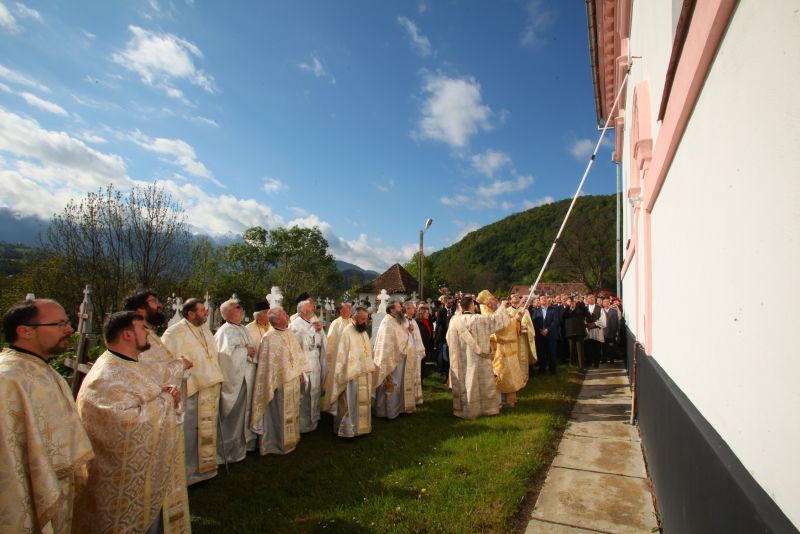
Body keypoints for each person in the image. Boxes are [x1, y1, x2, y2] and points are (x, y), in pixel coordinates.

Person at [74, 311, 190, 533]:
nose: (148, 333)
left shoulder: (130, 364)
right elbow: (125, 424)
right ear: (127, 335)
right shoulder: (106, 376)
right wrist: (166, 400)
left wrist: (162, 394)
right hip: (119, 485)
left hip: (143, 475)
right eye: (143, 329)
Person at [0, 299, 94, 533]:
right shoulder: (8, 380)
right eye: (60, 324)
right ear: (25, 331)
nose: (70, 329)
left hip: (56, 484)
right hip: (28, 491)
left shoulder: (41, 368)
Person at [162, 298, 224, 485]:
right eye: (202, 311)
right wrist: (183, 370)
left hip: (210, 387)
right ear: (190, 313)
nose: (206, 313)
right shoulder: (173, 333)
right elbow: (166, 362)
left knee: (207, 430)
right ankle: (188, 474)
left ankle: (205, 469)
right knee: (190, 432)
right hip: (190, 389)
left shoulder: (205, 330)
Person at [250, 307, 310, 455]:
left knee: (293, 410)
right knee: (279, 413)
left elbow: (296, 354)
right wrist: (272, 380)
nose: (287, 315)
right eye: (284, 314)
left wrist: (301, 371)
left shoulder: (289, 333)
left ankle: (292, 438)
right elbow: (266, 365)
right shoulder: (269, 338)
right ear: (277, 319)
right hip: (279, 383)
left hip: (294, 379)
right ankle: (276, 442)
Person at [446, 295, 512, 419]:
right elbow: (496, 320)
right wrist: (502, 306)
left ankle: (466, 409)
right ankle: (486, 409)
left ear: (461, 306)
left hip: (462, 358)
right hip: (479, 358)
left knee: (466, 382)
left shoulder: (454, 321)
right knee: (481, 382)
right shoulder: (479, 319)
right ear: (471, 306)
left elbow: (448, 339)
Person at [214, 299, 258, 464]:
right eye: (237, 307)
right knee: (233, 416)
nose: (241, 309)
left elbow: (251, 349)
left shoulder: (241, 329)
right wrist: (245, 351)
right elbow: (226, 358)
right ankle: (228, 452)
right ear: (229, 313)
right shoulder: (225, 332)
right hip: (235, 381)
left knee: (245, 412)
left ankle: (244, 445)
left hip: (246, 376)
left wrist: (249, 351)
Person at [325, 307, 376, 438]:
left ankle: (362, 428)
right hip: (351, 375)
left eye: (366, 319)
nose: (365, 321)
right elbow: (341, 356)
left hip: (364, 373)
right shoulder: (346, 332)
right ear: (354, 317)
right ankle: (347, 430)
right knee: (350, 403)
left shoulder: (363, 332)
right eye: (362, 319)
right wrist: (343, 373)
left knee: (362, 402)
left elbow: (367, 351)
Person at [476, 290, 526, 408]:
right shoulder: (487, 315)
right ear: (488, 303)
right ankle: (498, 401)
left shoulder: (495, 312)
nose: (495, 301)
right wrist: (514, 319)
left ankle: (507, 400)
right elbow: (500, 330)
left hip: (505, 351)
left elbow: (507, 323)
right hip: (496, 351)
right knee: (499, 375)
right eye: (493, 299)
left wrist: (516, 320)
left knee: (508, 375)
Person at [373, 300, 416, 419]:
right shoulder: (387, 322)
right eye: (398, 307)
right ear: (392, 310)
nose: (401, 309)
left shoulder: (398, 320)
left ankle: (399, 408)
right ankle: (387, 412)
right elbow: (391, 341)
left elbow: (402, 335)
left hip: (399, 358)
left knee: (399, 385)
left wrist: (409, 331)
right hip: (391, 359)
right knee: (392, 385)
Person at [289, 299, 327, 433]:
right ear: (304, 310)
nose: (314, 309)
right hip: (304, 364)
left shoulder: (312, 322)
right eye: (311, 307)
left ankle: (313, 420)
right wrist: (313, 330)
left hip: (315, 361)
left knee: (315, 390)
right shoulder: (295, 325)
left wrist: (320, 331)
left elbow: (321, 341)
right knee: (304, 394)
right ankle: (302, 424)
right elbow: (298, 343)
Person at [322, 302, 352, 408]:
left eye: (350, 308)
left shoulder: (352, 322)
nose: (350, 310)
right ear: (341, 311)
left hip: (350, 359)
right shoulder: (336, 324)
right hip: (338, 358)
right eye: (348, 308)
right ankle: (335, 408)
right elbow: (330, 343)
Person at [510, 292, 537, 385]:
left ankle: (524, 378)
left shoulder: (524, 310)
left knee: (523, 358)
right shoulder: (507, 311)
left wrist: (525, 327)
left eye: (517, 296)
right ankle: (515, 379)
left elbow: (529, 324)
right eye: (513, 296)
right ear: (510, 300)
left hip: (523, 338)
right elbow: (506, 325)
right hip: (512, 339)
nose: (515, 297)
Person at [403, 300, 426, 405]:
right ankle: (407, 399)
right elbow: (402, 336)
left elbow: (418, 336)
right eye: (413, 308)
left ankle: (416, 397)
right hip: (408, 353)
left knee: (417, 374)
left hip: (416, 352)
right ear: (407, 309)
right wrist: (408, 331)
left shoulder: (414, 321)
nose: (415, 309)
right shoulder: (403, 321)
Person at [533, 296, 560, 375]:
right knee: (542, 353)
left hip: (551, 334)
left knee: (552, 352)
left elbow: (555, 321)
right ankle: (542, 369)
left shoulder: (553, 309)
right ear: (539, 301)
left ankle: (553, 369)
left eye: (545, 298)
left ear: (547, 300)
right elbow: (534, 322)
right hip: (540, 335)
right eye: (542, 299)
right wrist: (540, 330)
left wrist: (547, 329)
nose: (543, 300)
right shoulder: (536, 311)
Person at [433, 295, 454, 378]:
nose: (450, 304)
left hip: (450, 333)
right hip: (442, 334)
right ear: (445, 303)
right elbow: (438, 321)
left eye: (451, 303)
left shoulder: (453, 309)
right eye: (448, 303)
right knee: (442, 352)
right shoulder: (441, 310)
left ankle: (447, 368)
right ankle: (441, 369)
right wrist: (447, 318)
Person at [563, 298, 587, 368]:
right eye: (570, 302)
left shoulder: (580, 309)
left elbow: (585, 312)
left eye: (573, 302)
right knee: (571, 349)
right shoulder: (567, 310)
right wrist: (568, 306)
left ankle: (581, 365)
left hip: (579, 332)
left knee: (580, 350)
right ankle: (572, 363)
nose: (572, 303)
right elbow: (563, 316)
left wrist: (579, 304)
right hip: (570, 332)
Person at [584, 294, 607, 368]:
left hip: (597, 331)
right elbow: (582, 318)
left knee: (597, 348)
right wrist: (586, 324)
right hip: (588, 331)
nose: (591, 299)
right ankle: (589, 362)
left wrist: (594, 324)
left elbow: (603, 320)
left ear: (594, 299)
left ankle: (596, 363)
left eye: (592, 298)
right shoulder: (585, 308)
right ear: (587, 300)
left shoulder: (599, 308)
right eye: (589, 298)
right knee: (588, 347)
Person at [415, 305, 435, 378]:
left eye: (428, 312)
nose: (428, 314)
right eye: (426, 313)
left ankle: (421, 379)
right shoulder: (417, 322)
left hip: (426, 346)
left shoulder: (428, 321)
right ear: (422, 313)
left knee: (423, 364)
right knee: (419, 365)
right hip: (419, 347)